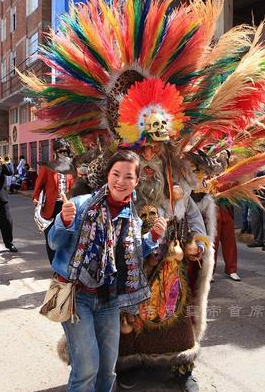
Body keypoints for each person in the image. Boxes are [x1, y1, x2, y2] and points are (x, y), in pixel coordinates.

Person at [48, 150, 165, 392]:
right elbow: (54, 243)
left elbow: (130, 255)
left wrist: (152, 238)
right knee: (86, 368)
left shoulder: (132, 217)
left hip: (110, 300)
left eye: (128, 177)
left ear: (136, 181)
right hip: (76, 297)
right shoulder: (81, 205)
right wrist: (63, 222)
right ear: (107, 176)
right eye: (116, 174)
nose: (121, 182)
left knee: (107, 370)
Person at [33, 139, 74, 263]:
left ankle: (63, 264)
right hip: (51, 207)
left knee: (67, 236)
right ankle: (53, 264)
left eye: (65, 151)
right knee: (51, 237)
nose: (62, 154)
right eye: (60, 151)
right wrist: (35, 198)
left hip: (66, 206)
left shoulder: (71, 167)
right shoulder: (48, 167)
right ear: (55, 152)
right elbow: (39, 184)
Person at [214, 198, 240, 280]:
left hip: (226, 208)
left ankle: (231, 269)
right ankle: (209, 271)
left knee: (230, 242)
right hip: (212, 209)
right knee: (213, 244)